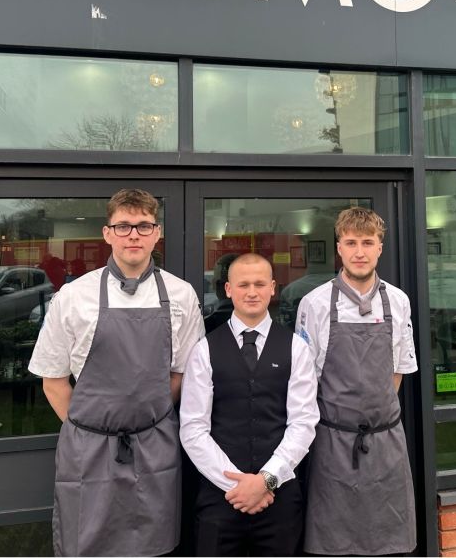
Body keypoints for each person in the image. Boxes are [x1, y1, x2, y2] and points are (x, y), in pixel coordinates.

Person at [28, 189, 204, 557]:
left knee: (154, 544)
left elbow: (181, 373)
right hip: (88, 450)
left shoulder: (182, 295)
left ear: (157, 233)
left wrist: (142, 418)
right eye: (123, 226)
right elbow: (53, 381)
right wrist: (91, 428)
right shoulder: (73, 297)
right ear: (107, 233)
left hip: (154, 446)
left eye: (143, 226)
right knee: (86, 544)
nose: (133, 235)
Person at [296, 207, 418, 556]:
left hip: (385, 441)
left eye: (368, 242)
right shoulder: (314, 304)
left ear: (381, 247)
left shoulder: (398, 301)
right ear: (339, 248)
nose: (359, 252)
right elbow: (306, 380)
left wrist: (374, 418)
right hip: (332, 442)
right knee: (334, 543)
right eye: (351, 243)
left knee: (390, 542)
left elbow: (397, 369)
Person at [180, 253, 319, 556]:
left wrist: (267, 480)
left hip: (281, 499)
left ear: (272, 288)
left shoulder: (296, 347)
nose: (252, 292)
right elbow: (193, 428)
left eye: (259, 284)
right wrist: (237, 486)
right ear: (228, 289)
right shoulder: (204, 350)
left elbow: (304, 422)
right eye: (243, 284)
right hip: (220, 500)